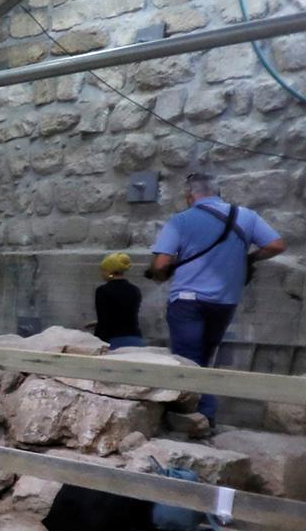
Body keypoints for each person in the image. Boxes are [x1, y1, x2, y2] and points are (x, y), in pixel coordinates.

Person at [148, 173, 285, 423]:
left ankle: (196, 416)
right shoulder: (246, 216)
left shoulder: (180, 220)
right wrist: (250, 258)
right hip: (225, 301)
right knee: (205, 357)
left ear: (190, 196)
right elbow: (276, 245)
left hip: (187, 300)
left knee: (187, 360)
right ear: (218, 192)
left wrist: (160, 272)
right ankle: (202, 416)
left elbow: (161, 263)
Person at [92, 252, 145, 349]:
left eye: (103, 270)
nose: (101, 273)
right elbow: (125, 314)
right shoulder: (134, 290)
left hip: (114, 341)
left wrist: (96, 343)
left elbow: (104, 321)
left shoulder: (102, 291)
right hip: (136, 339)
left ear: (109, 272)